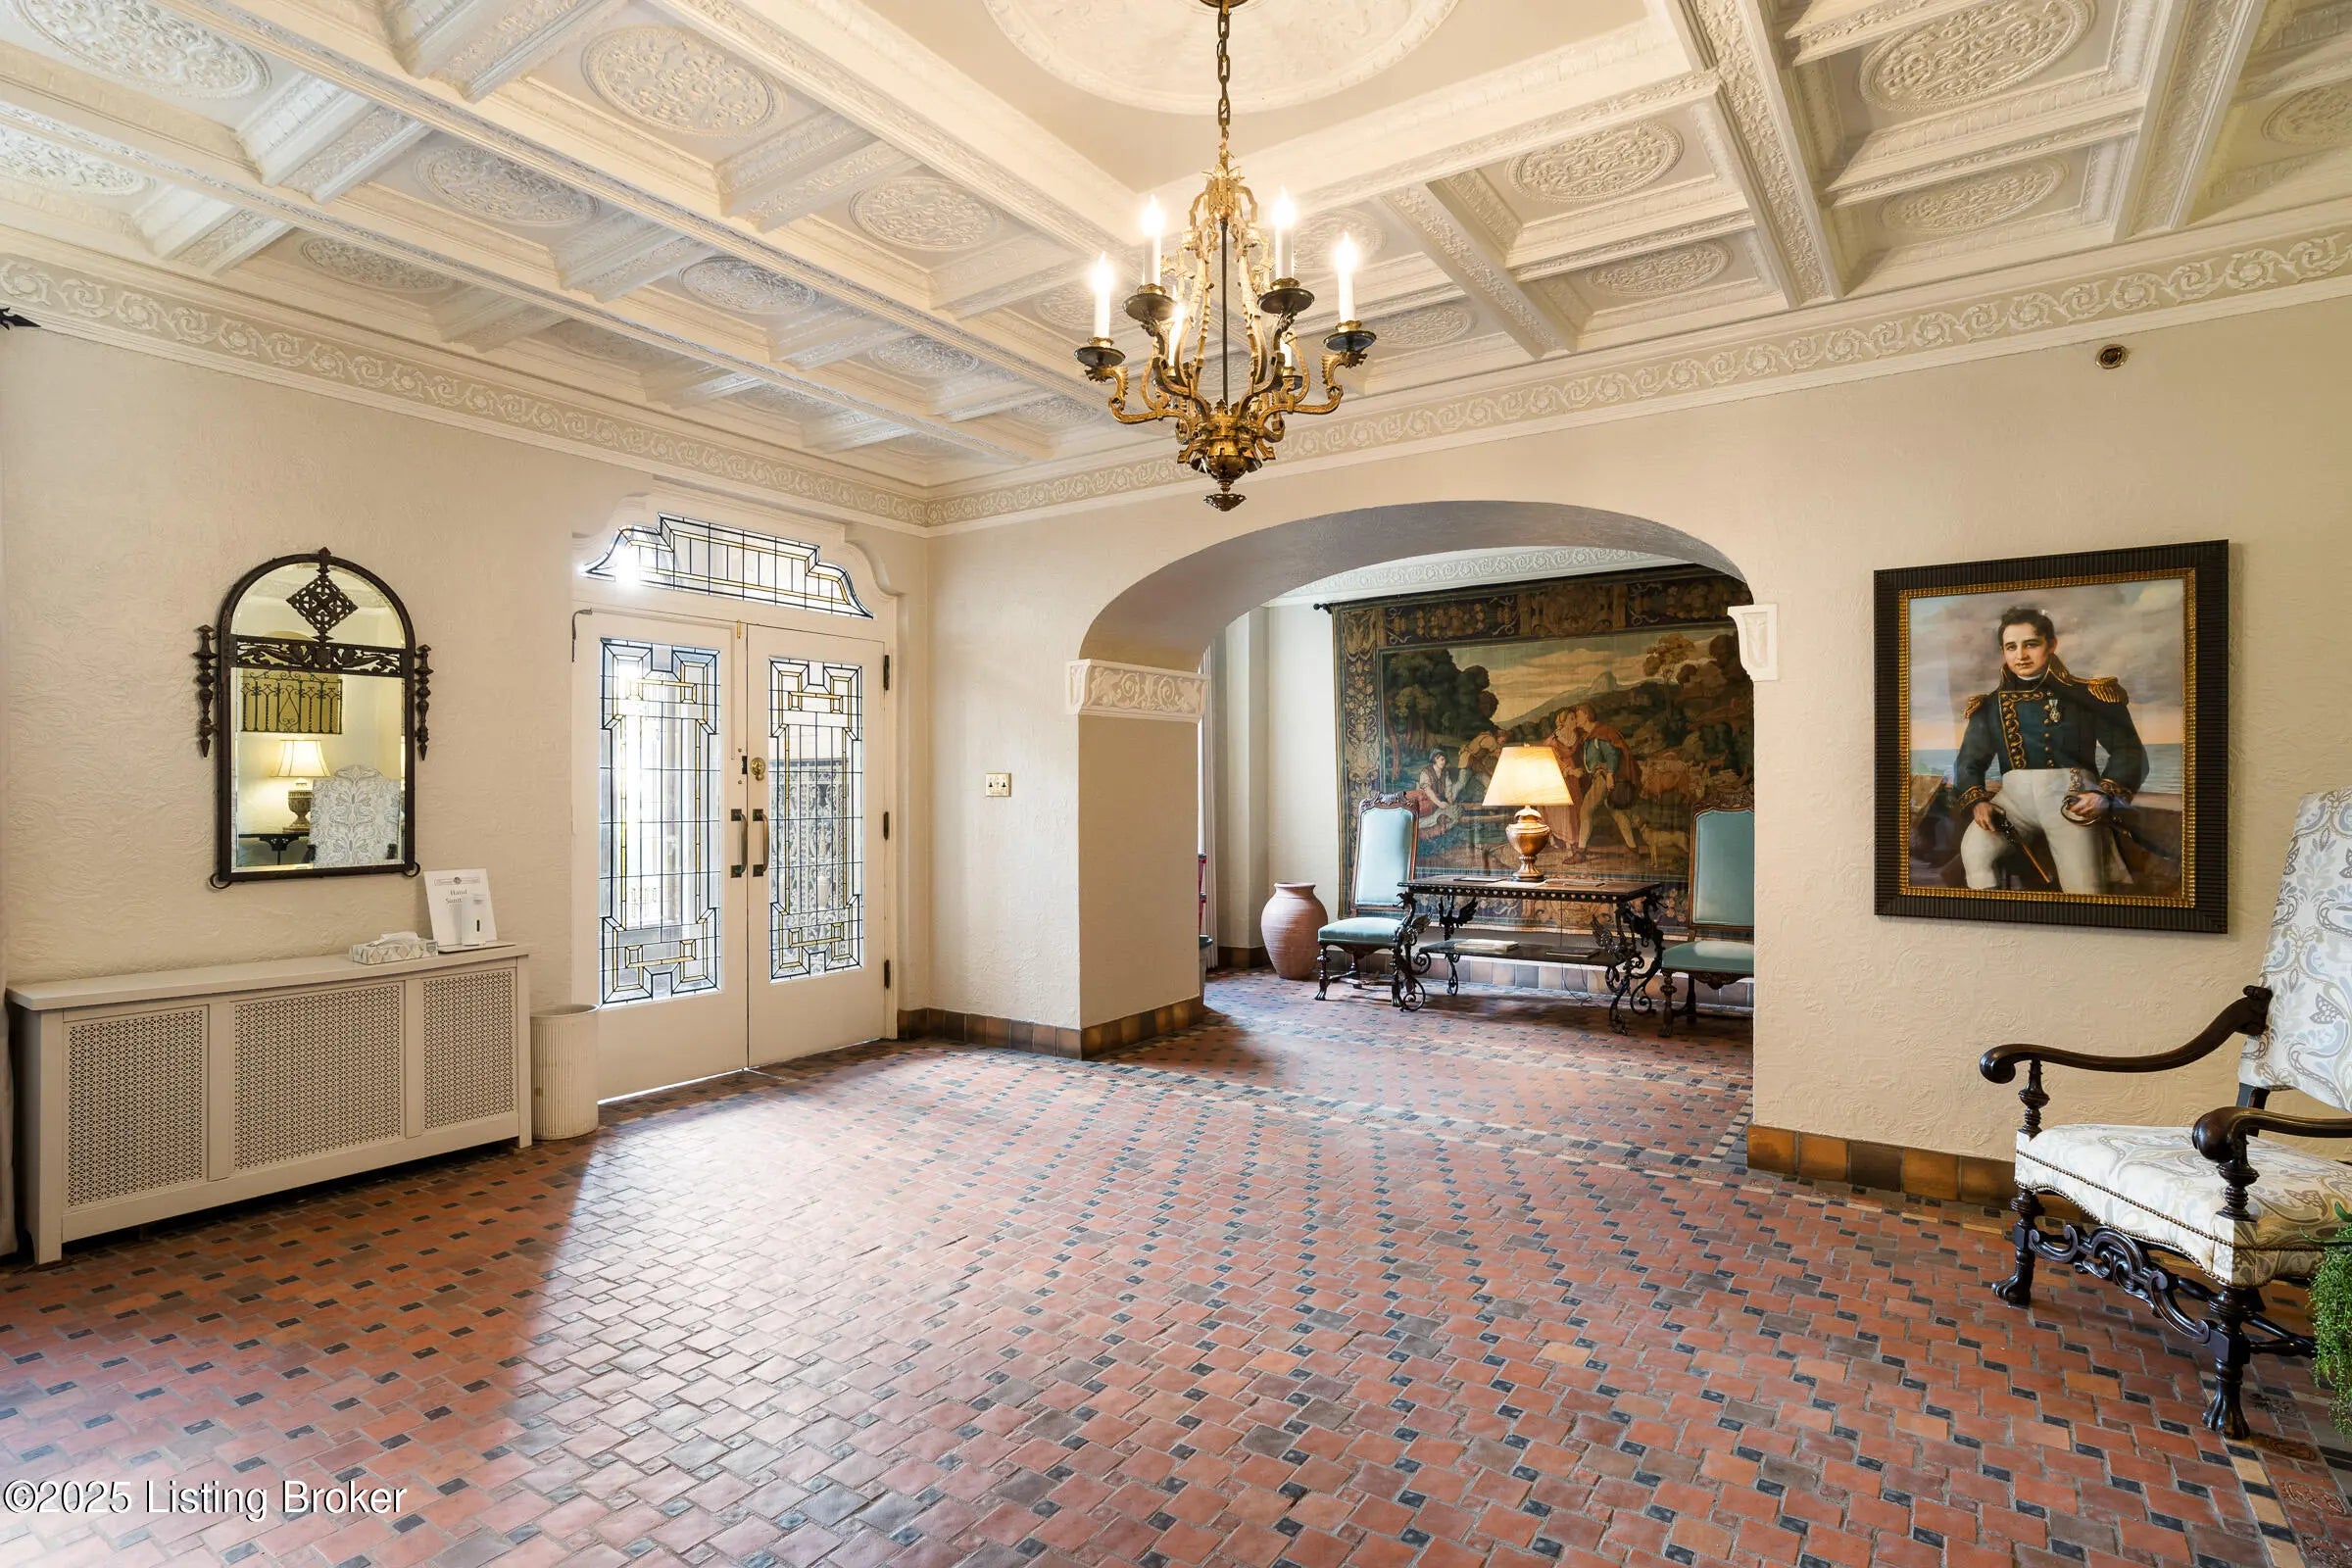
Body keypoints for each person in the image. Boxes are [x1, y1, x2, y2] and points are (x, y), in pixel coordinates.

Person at [1952, 605, 2146, 894]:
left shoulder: (2088, 696)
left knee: (2084, 889)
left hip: (2070, 801)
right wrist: (1978, 801)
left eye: (2031, 644)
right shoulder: (1990, 706)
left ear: (2051, 644)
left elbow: (2128, 751)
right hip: (2012, 805)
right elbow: (1968, 762)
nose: (2021, 655)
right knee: (1975, 852)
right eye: (2011, 647)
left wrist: (2103, 794)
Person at [1560, 705, 1643, 859]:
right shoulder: (1590, 735)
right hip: (1601, 776)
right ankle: (1633, 849)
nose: (1576, 719)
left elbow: (1612, 755)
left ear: (1586, 715)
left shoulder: (1601, 734)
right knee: (1616, 812)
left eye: (1578, 716)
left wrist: (1610, 775)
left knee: (1585, 811)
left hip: (1604, 777)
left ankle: (1580, 852)